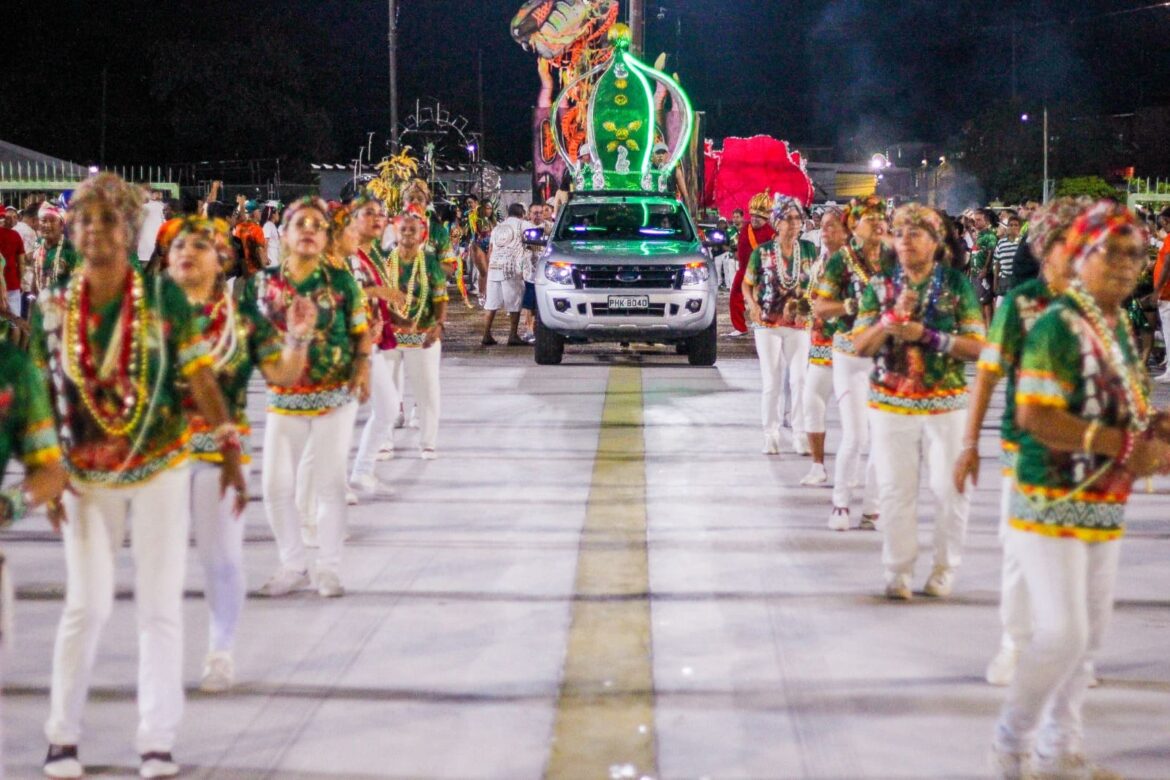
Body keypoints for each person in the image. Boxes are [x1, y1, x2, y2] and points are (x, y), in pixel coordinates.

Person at [35, 173, 244, 780]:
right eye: (86, 220)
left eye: (109, 219)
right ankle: (62, 737)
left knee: (159, 606)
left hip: (160, 467)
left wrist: (229, 448)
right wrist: (46, 465)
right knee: (88, 605)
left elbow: (200, 374)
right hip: (84, 475)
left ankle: (156, 739)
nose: (97, 230)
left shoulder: (163, 300)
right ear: (72, 232)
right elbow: (43, 392)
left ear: (130, 230)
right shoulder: (56, 306)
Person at [991, 202, 1170, 780]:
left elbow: (1125, 409)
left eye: (1135, 254)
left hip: (1105, 502)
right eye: (1109, 252)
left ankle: (1058, 751)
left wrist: (1155, 430)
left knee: (1088, 639)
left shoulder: (1117, 327)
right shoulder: (1055, 324)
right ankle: (1010, 742)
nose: (1124, 265)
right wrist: (1123, 445)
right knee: (1063, 634)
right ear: (1080, 256)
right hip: (1047, 500)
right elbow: (1036, 415)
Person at [168, 215, 315, 693]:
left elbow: (285, 376)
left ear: (223, 260)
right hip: (159, 458)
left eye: (203, 246)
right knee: (160, 568)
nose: (189, 255)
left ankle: (220, 650)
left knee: (222, 560)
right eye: (179, 248)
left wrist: (297, 335)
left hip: (219, 457)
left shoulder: (244, 320)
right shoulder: (151, 317)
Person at [952, 198, 1084, 690]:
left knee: (1079, 554)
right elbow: (987, 376)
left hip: (1086, 455)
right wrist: (970, 442)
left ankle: (1077, 653)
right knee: (1021, 549)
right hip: (1024, 446)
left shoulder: (1100, 304)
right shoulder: (1020, 303)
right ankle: (1015, 643)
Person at [852, 203, 985, 600]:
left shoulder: (957, 286)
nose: (905, 241)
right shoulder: (880, 286)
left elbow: (978, 347)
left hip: (946, 403)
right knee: (895, 489)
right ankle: (898, 569)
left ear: (935, 242)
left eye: (916, 234)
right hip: (891, 402)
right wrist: (890, 322)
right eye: (900, 233)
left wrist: (928, 337)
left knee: (950, 489)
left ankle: (945, 567)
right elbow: (859, 345)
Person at [243, 197, 371, 600]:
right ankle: (293, 562)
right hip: (284, 396)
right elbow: (250, 337)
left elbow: (360, 329)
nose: (311, 230)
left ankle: (329, 567)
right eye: (301, 224)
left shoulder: (341, 281)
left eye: (318, 224)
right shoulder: (263, 284)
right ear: (284, 234)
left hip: (336, 394)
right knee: (277, 485)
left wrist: (363, 367)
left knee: (331, 482)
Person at [813, 196, 894, 531]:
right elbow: (820, 307)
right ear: (853, 226)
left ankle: (873, 508)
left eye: (881, 216)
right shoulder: (842, 261)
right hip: (849, 354)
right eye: (868, 218)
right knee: (857, 435)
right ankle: (841, 504)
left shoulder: (894, 258)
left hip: (886, 355)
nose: (877, 222)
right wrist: (850, 305)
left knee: (884, 436)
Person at [743, 195, 817, 456]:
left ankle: (799, 434)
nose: (795, 224)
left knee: (800, 380)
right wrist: (752, 306)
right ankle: (770, 434)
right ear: (777, 223)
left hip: (799, 323)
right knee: (772, 381)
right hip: (768, 322)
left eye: (798, 218)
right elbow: (747, 284)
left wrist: (809, 306)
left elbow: (817, 284)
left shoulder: (809, 250)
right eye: (789, 219)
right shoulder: (761, 252)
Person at [382, 206, 448, 460]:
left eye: (413, 230)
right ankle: (384, 442)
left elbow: (440, 297)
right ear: (395, 232)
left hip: (424, 333)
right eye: (403, 229)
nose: (408, 233)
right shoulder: (387, 257)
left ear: (422, 233)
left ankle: (428, 443)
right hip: (390, 334)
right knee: (386, 390)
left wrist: (438, 326)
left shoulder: (429, 260)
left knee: (427, 390)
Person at [799, 207, 847, 486]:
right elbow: (810, 299)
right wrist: (801, 308)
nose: (826, 232)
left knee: (854, 417)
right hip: (818, 344)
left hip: (847, 346)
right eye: (824, 226)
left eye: (833, 226)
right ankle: (818, 466)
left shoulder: (854, 264)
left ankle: (852, 470)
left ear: (846, 231)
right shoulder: (819, 262)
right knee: (811, 403)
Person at [482, 203, 530, 346]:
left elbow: (490, 250)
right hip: (511, 268)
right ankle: (513, 335)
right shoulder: (523, 224)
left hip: (494, 267)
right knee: (514, 303)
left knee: (490, 304)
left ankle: (486, 334)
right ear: (522, 213)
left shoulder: (497, 228)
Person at [730, 193, 776, 335]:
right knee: (734, 297)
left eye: (759, 216)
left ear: (766, 218)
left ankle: (765, 325)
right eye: (753, 215)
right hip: (743, 270)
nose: (755, 219)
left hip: (761, 273)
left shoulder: (771, 233)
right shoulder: (746, 228)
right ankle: (740, 327)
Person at [31, 202, 80, 295]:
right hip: (40, 303)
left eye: (52, 221)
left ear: (61, 226)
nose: (47, 225)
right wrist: (32, 302)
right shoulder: (38, 243)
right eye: (44, 221)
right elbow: (35, 274)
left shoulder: (70, 248)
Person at [970, 208, 999, 325]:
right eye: (975, 220)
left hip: (983, 274)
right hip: (975, 273)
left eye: (979, 220)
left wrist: (985, 269)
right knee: (979, 302)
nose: (976, 223)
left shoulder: (990, 236)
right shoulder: (979, 235)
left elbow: (991, 251)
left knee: (986, 302)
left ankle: (989, 328)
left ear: (986, 221)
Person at [1151, 206, 1170, 383]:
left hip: (1167, 293)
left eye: (1163, 220)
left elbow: (1167, 265)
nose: (1162, 223)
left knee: (1168, 331)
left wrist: (1157, 289)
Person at [993, 211, 1022, 300]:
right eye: (1010, 225)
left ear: (1020, 227)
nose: (1013, 227)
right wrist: (995, 282)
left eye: (1016, 225)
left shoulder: (1022, 242)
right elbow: (997, 264)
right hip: (1004, 280)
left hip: (1019, 280)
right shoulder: (1001, 243)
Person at [0, 216, 27, 313]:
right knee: (14, 321)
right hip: (12, 282)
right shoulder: (15, 235)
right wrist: (20, 281)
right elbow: (21, 262)